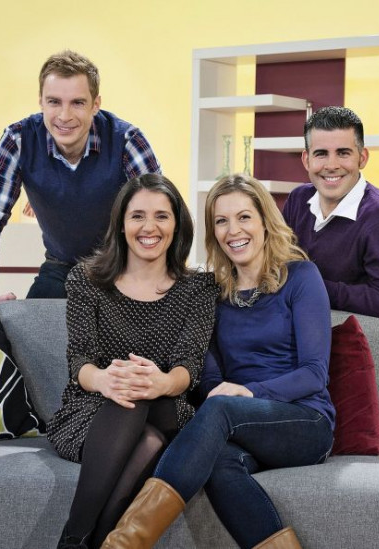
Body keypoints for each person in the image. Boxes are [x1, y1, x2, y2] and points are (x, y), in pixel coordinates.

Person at [102, 174, 335, 549]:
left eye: (244, 217)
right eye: (221, 221)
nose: (233, 231)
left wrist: (247, 392)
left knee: (221, 409)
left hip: (305, 420)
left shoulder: (301, 277)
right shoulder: (211, 293)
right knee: (219, 464)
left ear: (264, 221)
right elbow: (210, 380)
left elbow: (314, 374)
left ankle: (125, 543)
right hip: (238, 425)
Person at [47, 173, 218, 549]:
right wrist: (105, 380)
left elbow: (188, 365)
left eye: (161, 216)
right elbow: (79, 360)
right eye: (138, 215)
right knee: (147, 434)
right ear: (121, 225)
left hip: (167, 405)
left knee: (141, 400)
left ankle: (73, 540)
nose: (149, 227)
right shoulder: (86, 280)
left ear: (177, 225)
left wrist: (161, 383)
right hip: (93, 408)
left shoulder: (198, 288)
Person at [0, 50, 161, 318]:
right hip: (60, 266)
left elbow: (160, 216)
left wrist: (155, 286)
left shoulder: (127, 140)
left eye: (77, 103)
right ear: (41, 102)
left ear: (95, 104)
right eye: (54, 102)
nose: (64, 116)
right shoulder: (19, 140)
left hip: (122, 267)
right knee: (24, 331)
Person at [283, 106, 379, 321]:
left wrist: (308, 287)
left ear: (362, 158)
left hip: (350, 339)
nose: (331, 165)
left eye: (343, 153)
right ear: (306, 160)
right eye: (321, 154)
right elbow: (277, 265)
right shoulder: (297, 201)